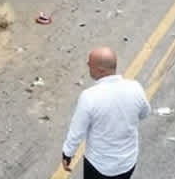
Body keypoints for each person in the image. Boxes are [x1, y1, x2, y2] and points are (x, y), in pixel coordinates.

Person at [61, 48, 149, 179]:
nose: (87, 65)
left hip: (99, 165)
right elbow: (144, 113)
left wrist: (67, 154)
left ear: (100, 70)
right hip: (127, 163)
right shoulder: (135, 87)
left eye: (90, 64)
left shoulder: (89, 97)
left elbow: (77, 132)